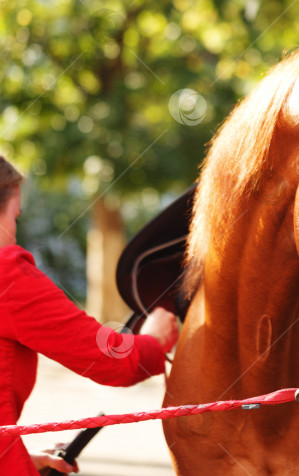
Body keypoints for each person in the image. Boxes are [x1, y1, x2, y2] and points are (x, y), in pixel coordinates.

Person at [0, 155, 178, 475]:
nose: (15, 229)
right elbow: (107, 357)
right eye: (16, 216)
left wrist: (19, 456)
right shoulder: (6, 274)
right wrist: (152, 340)